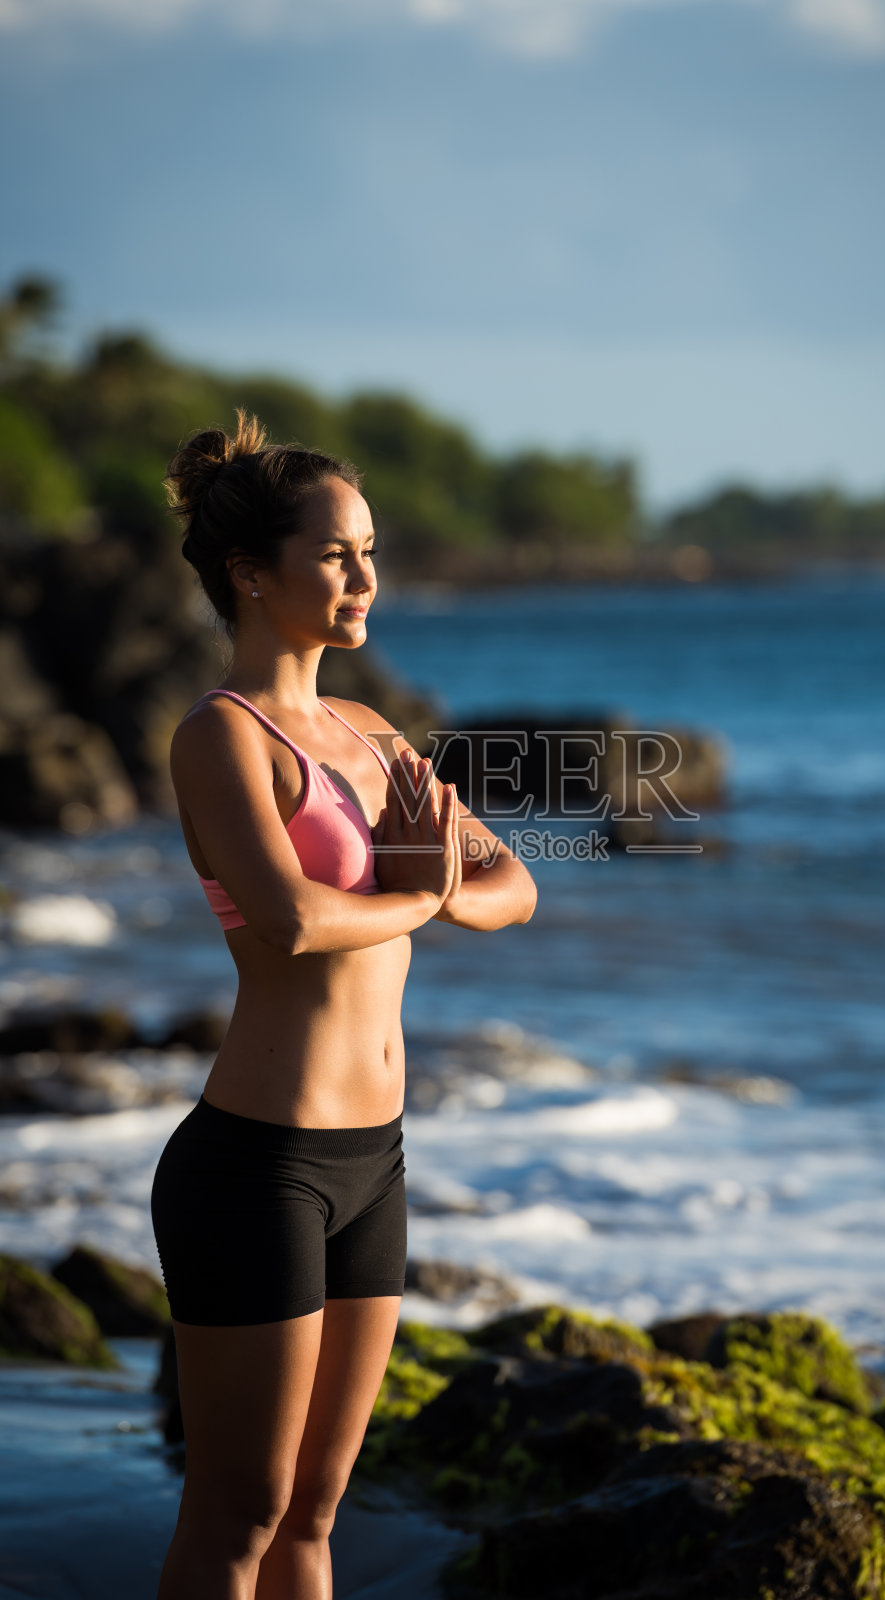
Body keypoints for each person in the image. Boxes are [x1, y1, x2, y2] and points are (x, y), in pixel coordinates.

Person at [150, 410, 537, 1600]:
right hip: (257, 1165)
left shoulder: (371, 731)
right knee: (239, 1514)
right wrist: (428, 892)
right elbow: (296, 920)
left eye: (369, 550)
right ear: (250, 575)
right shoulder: (223, 738)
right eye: (335, 554)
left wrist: (439, 890)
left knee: (316, 1514)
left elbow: (511, 885)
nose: (366, 576)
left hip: (376, 1161)